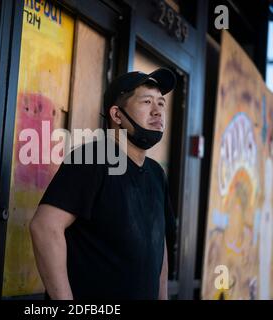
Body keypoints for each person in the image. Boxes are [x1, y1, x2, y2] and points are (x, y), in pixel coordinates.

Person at [30, 68, 177, 300]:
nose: (158, 111)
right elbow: (44, 227)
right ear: (117, 116)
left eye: (161, 103)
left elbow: (158, 244)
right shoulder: (93, 159)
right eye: (147, 102)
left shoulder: (156, 174)